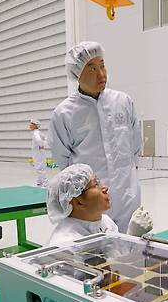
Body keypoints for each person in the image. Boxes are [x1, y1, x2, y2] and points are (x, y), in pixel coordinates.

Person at [49, 41, 142, 233]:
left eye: (102, 65)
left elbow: (135, 146)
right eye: (92, 69)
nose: (101, 74)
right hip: (91, 203)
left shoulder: (123, 102)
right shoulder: (64, 113)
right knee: (97, 255)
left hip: (127, 195)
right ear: (77, 74)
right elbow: (64, 162)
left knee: (131, 249)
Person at [47, 164, 153, 245]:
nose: (105, 188)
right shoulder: (67, 243)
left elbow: (115, 259)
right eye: (95, 185)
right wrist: (132, 238)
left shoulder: (105, 222)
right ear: (78, 202)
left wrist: (133, 237)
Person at [29, 119, 48, 188]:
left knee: (40, 167)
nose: (30, 125)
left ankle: (45, 183)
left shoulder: (36, 133)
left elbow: (39, 140)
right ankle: (39, 182)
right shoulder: (38, 132)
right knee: (39, 167)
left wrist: (41, 145)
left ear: (35, 125)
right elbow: (46, 138)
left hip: (38, 152)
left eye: (32, 124)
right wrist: (43, 144)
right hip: (38, 152)